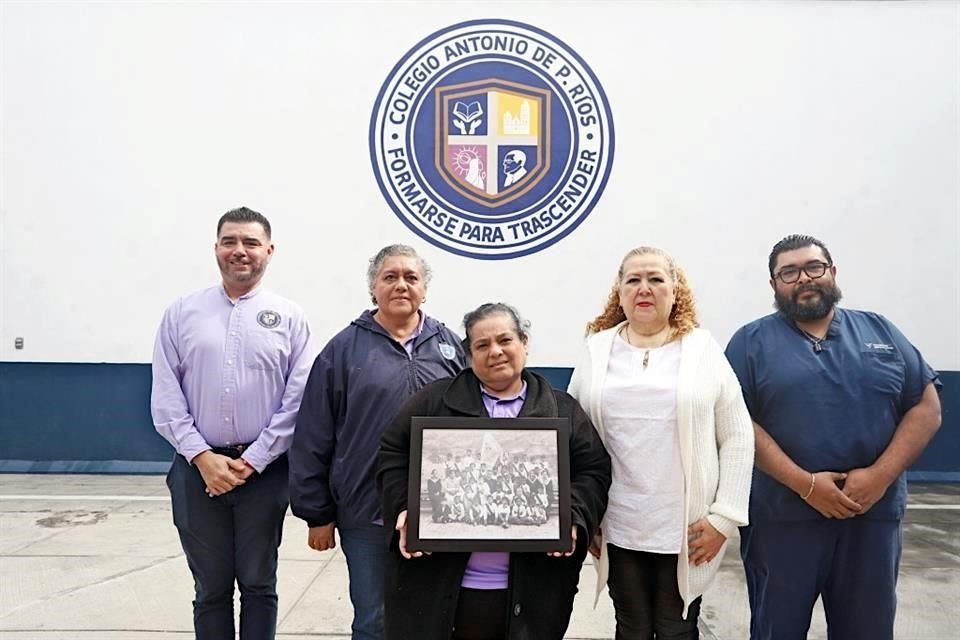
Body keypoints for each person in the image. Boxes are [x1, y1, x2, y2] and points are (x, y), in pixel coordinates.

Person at [725, 234, 942, 640]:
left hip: (870, 519)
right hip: (783, 521)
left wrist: (879, 476)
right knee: (778, 630)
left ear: (832, 272)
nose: (803, 278)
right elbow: (736, 422)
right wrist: (805, 485)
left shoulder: (881, 331)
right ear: (774, 285)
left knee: (869, 630)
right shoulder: (750, 343)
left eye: (813, 267)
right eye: (788, 272)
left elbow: (927, 408)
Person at [377, 302, 612, 640]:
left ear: (525, 343)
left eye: (505, 340)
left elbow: (593, 469)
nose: (495, 352)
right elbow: (393, 453)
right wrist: (404, 506)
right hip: (439, 584)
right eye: (482, 345)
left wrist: (573, 515)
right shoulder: (434, 403)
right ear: (469, 354)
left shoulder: (562, 411)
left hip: (533, 588)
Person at [568, 246, 754, 639]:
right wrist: (584, 515)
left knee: (676, 628)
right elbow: (574, 439)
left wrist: (724, 518)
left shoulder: (703, 350)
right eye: (633, 280)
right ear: (618, 292)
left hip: (687, 529)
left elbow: (737, 435)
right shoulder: (595, 350)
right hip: (618, 524)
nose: (644, 288)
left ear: (675, 289)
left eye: (656, 278)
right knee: (631, 627)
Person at [151, 206, 314, 640]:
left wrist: (254, 460)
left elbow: (297, 401)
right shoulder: (181, 313)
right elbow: (166, 397)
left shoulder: (291, 318)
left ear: (269, 251)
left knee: (259, 584)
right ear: (217, 248)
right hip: (195, 474)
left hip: (263, 475)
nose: (239, 251)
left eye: (250, 243)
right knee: (210, 588)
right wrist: (203, 458)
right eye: (230, 242)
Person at [289, 244, 466, 640]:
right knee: (373, 620)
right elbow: (313, 435)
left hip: (439, 511)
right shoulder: (342, 351)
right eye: (390, 277)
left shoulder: (452, 348)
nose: (401, 285)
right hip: (365, 512)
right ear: (373, 288)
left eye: (411, 277)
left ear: (425, 288)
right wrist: (317, 513)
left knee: (435, 616)